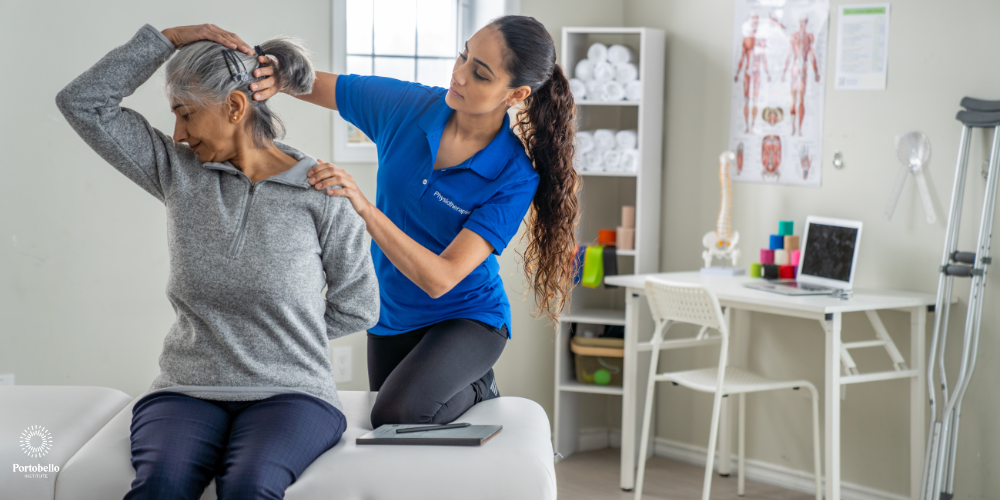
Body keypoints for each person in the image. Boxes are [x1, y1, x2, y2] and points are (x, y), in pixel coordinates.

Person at [56, 23, 379, 499]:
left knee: (250, 485)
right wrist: (169, 38)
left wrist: (278, 334)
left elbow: (359, 305)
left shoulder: (324, 194)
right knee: (161, 485)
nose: (178, 134)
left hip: (293, 393)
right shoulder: (177, 172)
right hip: (186, 389)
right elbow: (82, 103)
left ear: (235, 106)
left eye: (185, 114)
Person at [247, 15, 580, 428]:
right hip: (390, 312)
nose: (458, 75)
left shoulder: (514, 175)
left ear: (516, 94)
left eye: (479, 73)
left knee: (396, 413)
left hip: (466, 315)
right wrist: (270, 73)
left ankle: (479, 386)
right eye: (463, 56)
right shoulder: (407, 107)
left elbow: (441, 279)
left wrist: (364, 208)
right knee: (393, 429)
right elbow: (312, 83)